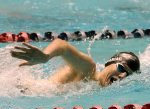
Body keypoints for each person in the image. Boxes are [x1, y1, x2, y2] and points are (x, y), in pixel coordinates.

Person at [11, 38, 140, 87]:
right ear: (110, 63)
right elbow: (62, 46)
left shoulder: (93, 87)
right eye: (122, 69)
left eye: (127, 75)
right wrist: (45, 57)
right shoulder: (88, 68)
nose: (123, 76)